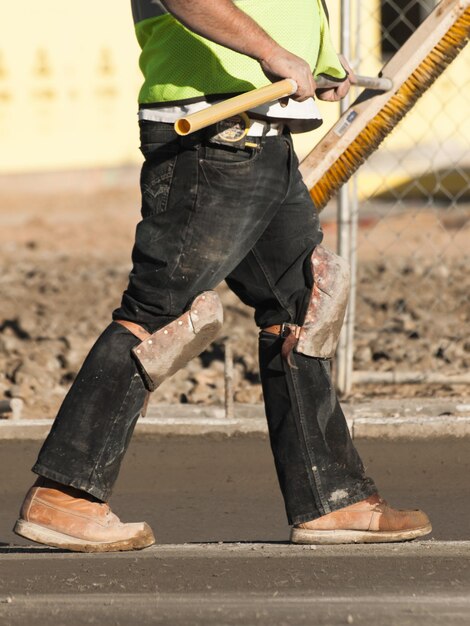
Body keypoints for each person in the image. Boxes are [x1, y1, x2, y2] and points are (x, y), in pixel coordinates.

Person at [14, 0, 431, 552]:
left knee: (304, 309)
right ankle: (64, 496)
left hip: (262, 134)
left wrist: (318, 61)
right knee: (161, 314)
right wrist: (273, 53)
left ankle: (333, 499)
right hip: (213, 137)